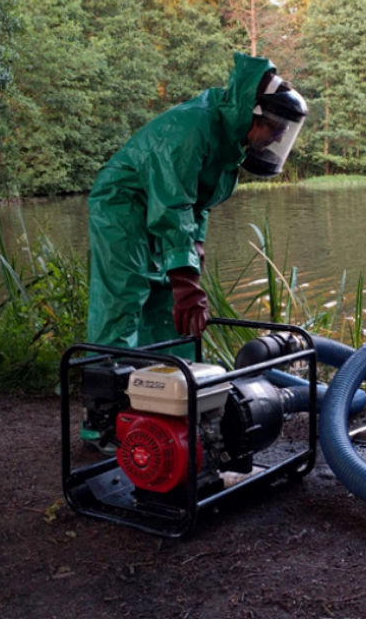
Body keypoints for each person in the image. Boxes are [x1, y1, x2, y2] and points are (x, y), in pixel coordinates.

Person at [82, 52, 307, 446]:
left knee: (171, 313)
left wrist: (193, 250)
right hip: (124, 206)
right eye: (273, 127)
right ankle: (103, 420)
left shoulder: (228, 140)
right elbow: (172, 203)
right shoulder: (193, 128)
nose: (275, 137)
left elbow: (197, 204)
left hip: (163, 208)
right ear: (252, 114)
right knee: (124, 300)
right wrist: (186, 278)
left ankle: (160, 409)